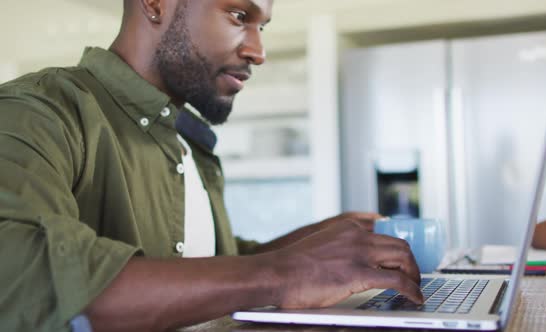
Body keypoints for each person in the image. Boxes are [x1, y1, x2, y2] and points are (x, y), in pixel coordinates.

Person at [0, 1, 424, 331]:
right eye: (240, 15)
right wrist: (284, 271)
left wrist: (323, 242)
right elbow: (22, 279)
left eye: (263, 27)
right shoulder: (38, 112)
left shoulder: (188, 142)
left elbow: (212, 264)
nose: (258, 51)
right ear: (155, 3)